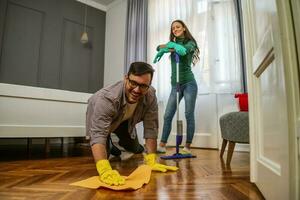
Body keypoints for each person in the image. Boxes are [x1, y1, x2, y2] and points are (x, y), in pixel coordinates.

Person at [86, 62, 178, 186]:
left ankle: (118, 145)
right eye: (133, 83)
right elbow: (98, 134)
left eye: (143, 86)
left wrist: (151, 159)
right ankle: (110, 145)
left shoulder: (150, 94)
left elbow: (151, 126)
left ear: (149, 85)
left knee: (135, 148)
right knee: (104, 156)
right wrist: (104, 169)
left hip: (125, 122)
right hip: (104, 125)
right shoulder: (107, 98)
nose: (136, 90)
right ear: (126, 78)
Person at [153, 20, 200, 154]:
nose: (175, 29)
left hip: (189, 84)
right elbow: (158, 47)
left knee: (188, 114)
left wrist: (169, 46)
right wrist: (168, 46)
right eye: (173, 28)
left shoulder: (191, 43)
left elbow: (183, 51)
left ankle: (188, 146)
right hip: (175, 85)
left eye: (178, 27)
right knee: (168, 115)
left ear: (184, 28)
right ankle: (162, 145)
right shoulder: (172, 44)